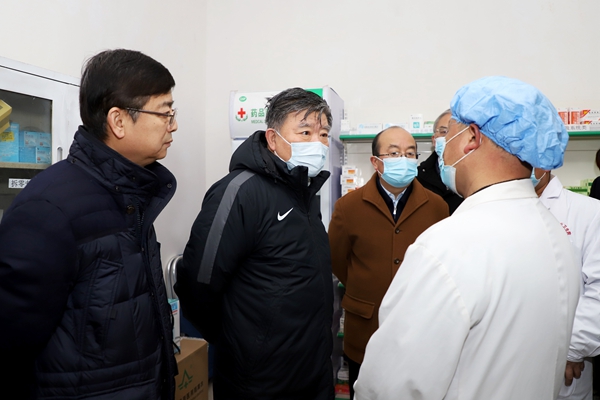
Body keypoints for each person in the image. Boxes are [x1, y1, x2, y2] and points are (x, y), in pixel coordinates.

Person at [354, 76, 581, 400]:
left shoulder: (448, 246)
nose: (442, 147)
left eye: (448, 133)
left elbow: (390, 387)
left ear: (471, 138)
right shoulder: (555, 233)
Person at [0, 49, 179, 399]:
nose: (173, 125)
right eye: (165, 113)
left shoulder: (133, 194)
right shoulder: (49, 209)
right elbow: (11, 342)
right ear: (118, 121)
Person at [175, 88, 334, 400]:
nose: (318, 142)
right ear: (273, 139)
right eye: (305, 132)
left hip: (313, 372)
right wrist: (241, 342)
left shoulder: (305, 194)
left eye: (324, 134)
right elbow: (198, 285)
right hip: (259, 381)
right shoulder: (239, 192)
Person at [328, 126, 449, 399]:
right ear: (376, 162)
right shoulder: (348, 207)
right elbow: (337, 260)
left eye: (410, 153)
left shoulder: (437, 206)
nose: (403, 159)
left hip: (419, 328)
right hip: (365, 329)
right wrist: (368, 283)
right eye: (394, 153)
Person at [532, 168, 600, 400]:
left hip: (566, 368)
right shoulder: (494, 212)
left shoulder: (589, 212)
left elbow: (598, 290)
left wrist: (572, 349)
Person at [417, 109, 463, 214]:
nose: (449, 137)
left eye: (457, 132)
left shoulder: (476, 177)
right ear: (434, 140)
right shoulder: (418, 178)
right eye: (444, 132)